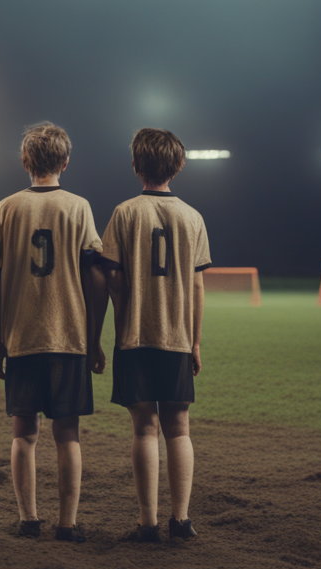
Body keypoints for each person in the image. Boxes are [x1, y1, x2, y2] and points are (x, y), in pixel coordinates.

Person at [0, 122, 106, 542]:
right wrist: (94, 338)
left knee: (24, 434)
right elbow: (96, 274)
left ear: (25, 161)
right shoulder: (78, 206)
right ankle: (68, 525)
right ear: (66, 162)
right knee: (67, 435)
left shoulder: (7, 207)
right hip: (68, 337)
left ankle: (28, 520)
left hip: (21, 339)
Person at [99, 128, 211, 542]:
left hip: (135, 337)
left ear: (135, 166)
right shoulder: (192, 217)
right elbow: (198, 287)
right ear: (177, 167)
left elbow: (111, 276)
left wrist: (125, 308)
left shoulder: (125, 213)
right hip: (178, 337)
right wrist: (195, 341)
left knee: (144, 429)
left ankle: (148, 524)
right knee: (179, 427)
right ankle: (181, 521)